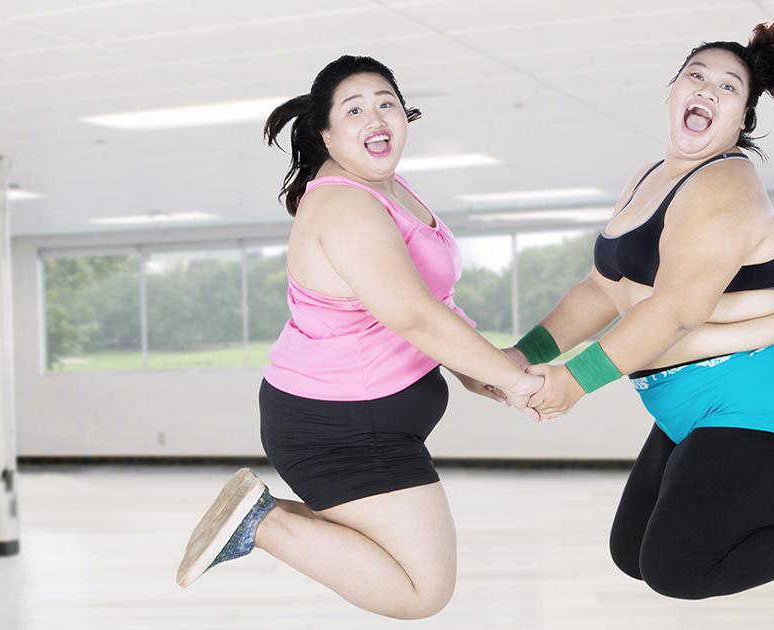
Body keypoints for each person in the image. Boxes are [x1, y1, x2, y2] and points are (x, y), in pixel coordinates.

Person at [506, 11, 774, 609]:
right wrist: (522, 355)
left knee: (677, 569)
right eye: (696, 75)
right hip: (685, 405)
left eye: (728, 87)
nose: (707, 89)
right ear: (672, 92)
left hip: (758, 401)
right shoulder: (649, 177)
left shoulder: (725, 187)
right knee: (631, 552)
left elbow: (677, 311)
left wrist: (575, 382)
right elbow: (601, 290)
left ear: (742, 119)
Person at [173, 55, 542, 620]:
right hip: (340, 426)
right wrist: (514, 380)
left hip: (364, 419)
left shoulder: (389, 189)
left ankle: (257, 516)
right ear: (326, 133)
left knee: (415, 572)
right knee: (420, 590)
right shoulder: (346, 203)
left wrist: (479, 367)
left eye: (386, 103)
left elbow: (435, 302)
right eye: (355, 109)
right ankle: (261, 522)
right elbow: (413, 317)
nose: (376, 117)